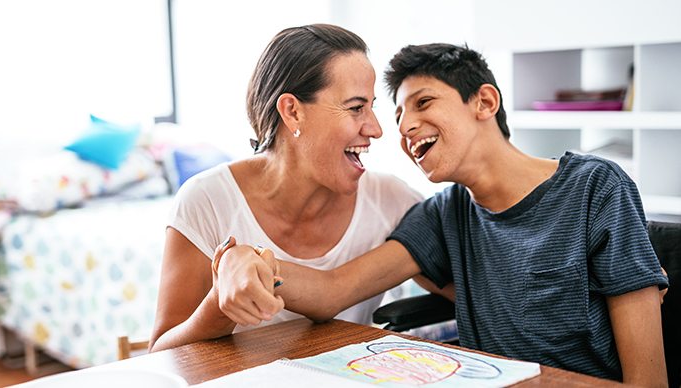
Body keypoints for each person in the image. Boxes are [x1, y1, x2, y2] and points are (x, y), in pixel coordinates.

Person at [217, 43, 670, 388]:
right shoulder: (444, 214)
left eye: (423, 103)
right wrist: (249, 262)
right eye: (397, 116)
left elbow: (648, 383)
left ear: (485, 103)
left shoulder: (596, 188)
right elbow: (332, 290)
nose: (404, 127)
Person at [148, 24, 424, 352]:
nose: (376, 129)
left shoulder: (391, 200)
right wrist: (220, 302)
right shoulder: (206, 201)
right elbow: (161, 355)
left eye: (372, 106)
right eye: (355, 108)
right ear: (292, 111)